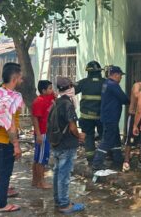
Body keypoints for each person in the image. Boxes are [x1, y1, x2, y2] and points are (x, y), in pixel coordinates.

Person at [0, 62, 23, 212]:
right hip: (4, 141)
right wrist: (16, 144)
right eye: (20, 77)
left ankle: (1, 201)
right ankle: (2, 204)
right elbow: (11, 124)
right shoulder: (15, 97)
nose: (21, 80)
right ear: (14, 78)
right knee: (4, 174)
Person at [51, 77, 85, 214]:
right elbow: (72, 127)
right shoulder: (68, 104)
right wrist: (80, 135)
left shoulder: (56, 102)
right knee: (64, 175)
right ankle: (64, 204)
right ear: (70, 87)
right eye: (72, 86)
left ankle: (58, 200)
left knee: (57, 173)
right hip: (67, 144)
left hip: (57, 143)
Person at [92, 66, 129, 171]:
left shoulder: (106, 83)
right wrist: (133, 102)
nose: (121, 78)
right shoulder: (113, 85)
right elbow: (124, 98)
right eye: (120, 75)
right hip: (111, 118)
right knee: (107, 140)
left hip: (109, 117)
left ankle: (118, 159)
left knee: (116, 139)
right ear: (116, 75)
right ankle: (97, 162)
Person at [75, 61, 106, 163]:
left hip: (86, 117)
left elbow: (70, 91)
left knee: (89, 137)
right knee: (103, 136)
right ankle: (102, 158)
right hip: (101, 116)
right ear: (99, 72)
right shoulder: (105, 83)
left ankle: (90, 158)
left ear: (88, 72)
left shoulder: (83, 82)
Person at [31, 80, 56, 189]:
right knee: (41, 159)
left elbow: (55, 95)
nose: (52, 90)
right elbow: (35, 119)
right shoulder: (38, 101)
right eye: (50, 88)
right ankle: (41, 182)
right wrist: (39, 134)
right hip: (42, 133)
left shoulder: (50, 97)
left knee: (38, 158)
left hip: (46, 132)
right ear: (43, 90)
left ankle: (35, 181)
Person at [123, 70, 141, 172]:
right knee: (130, 139)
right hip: (134, 116)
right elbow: (137, 95)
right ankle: (126, 161)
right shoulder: (137, 85)